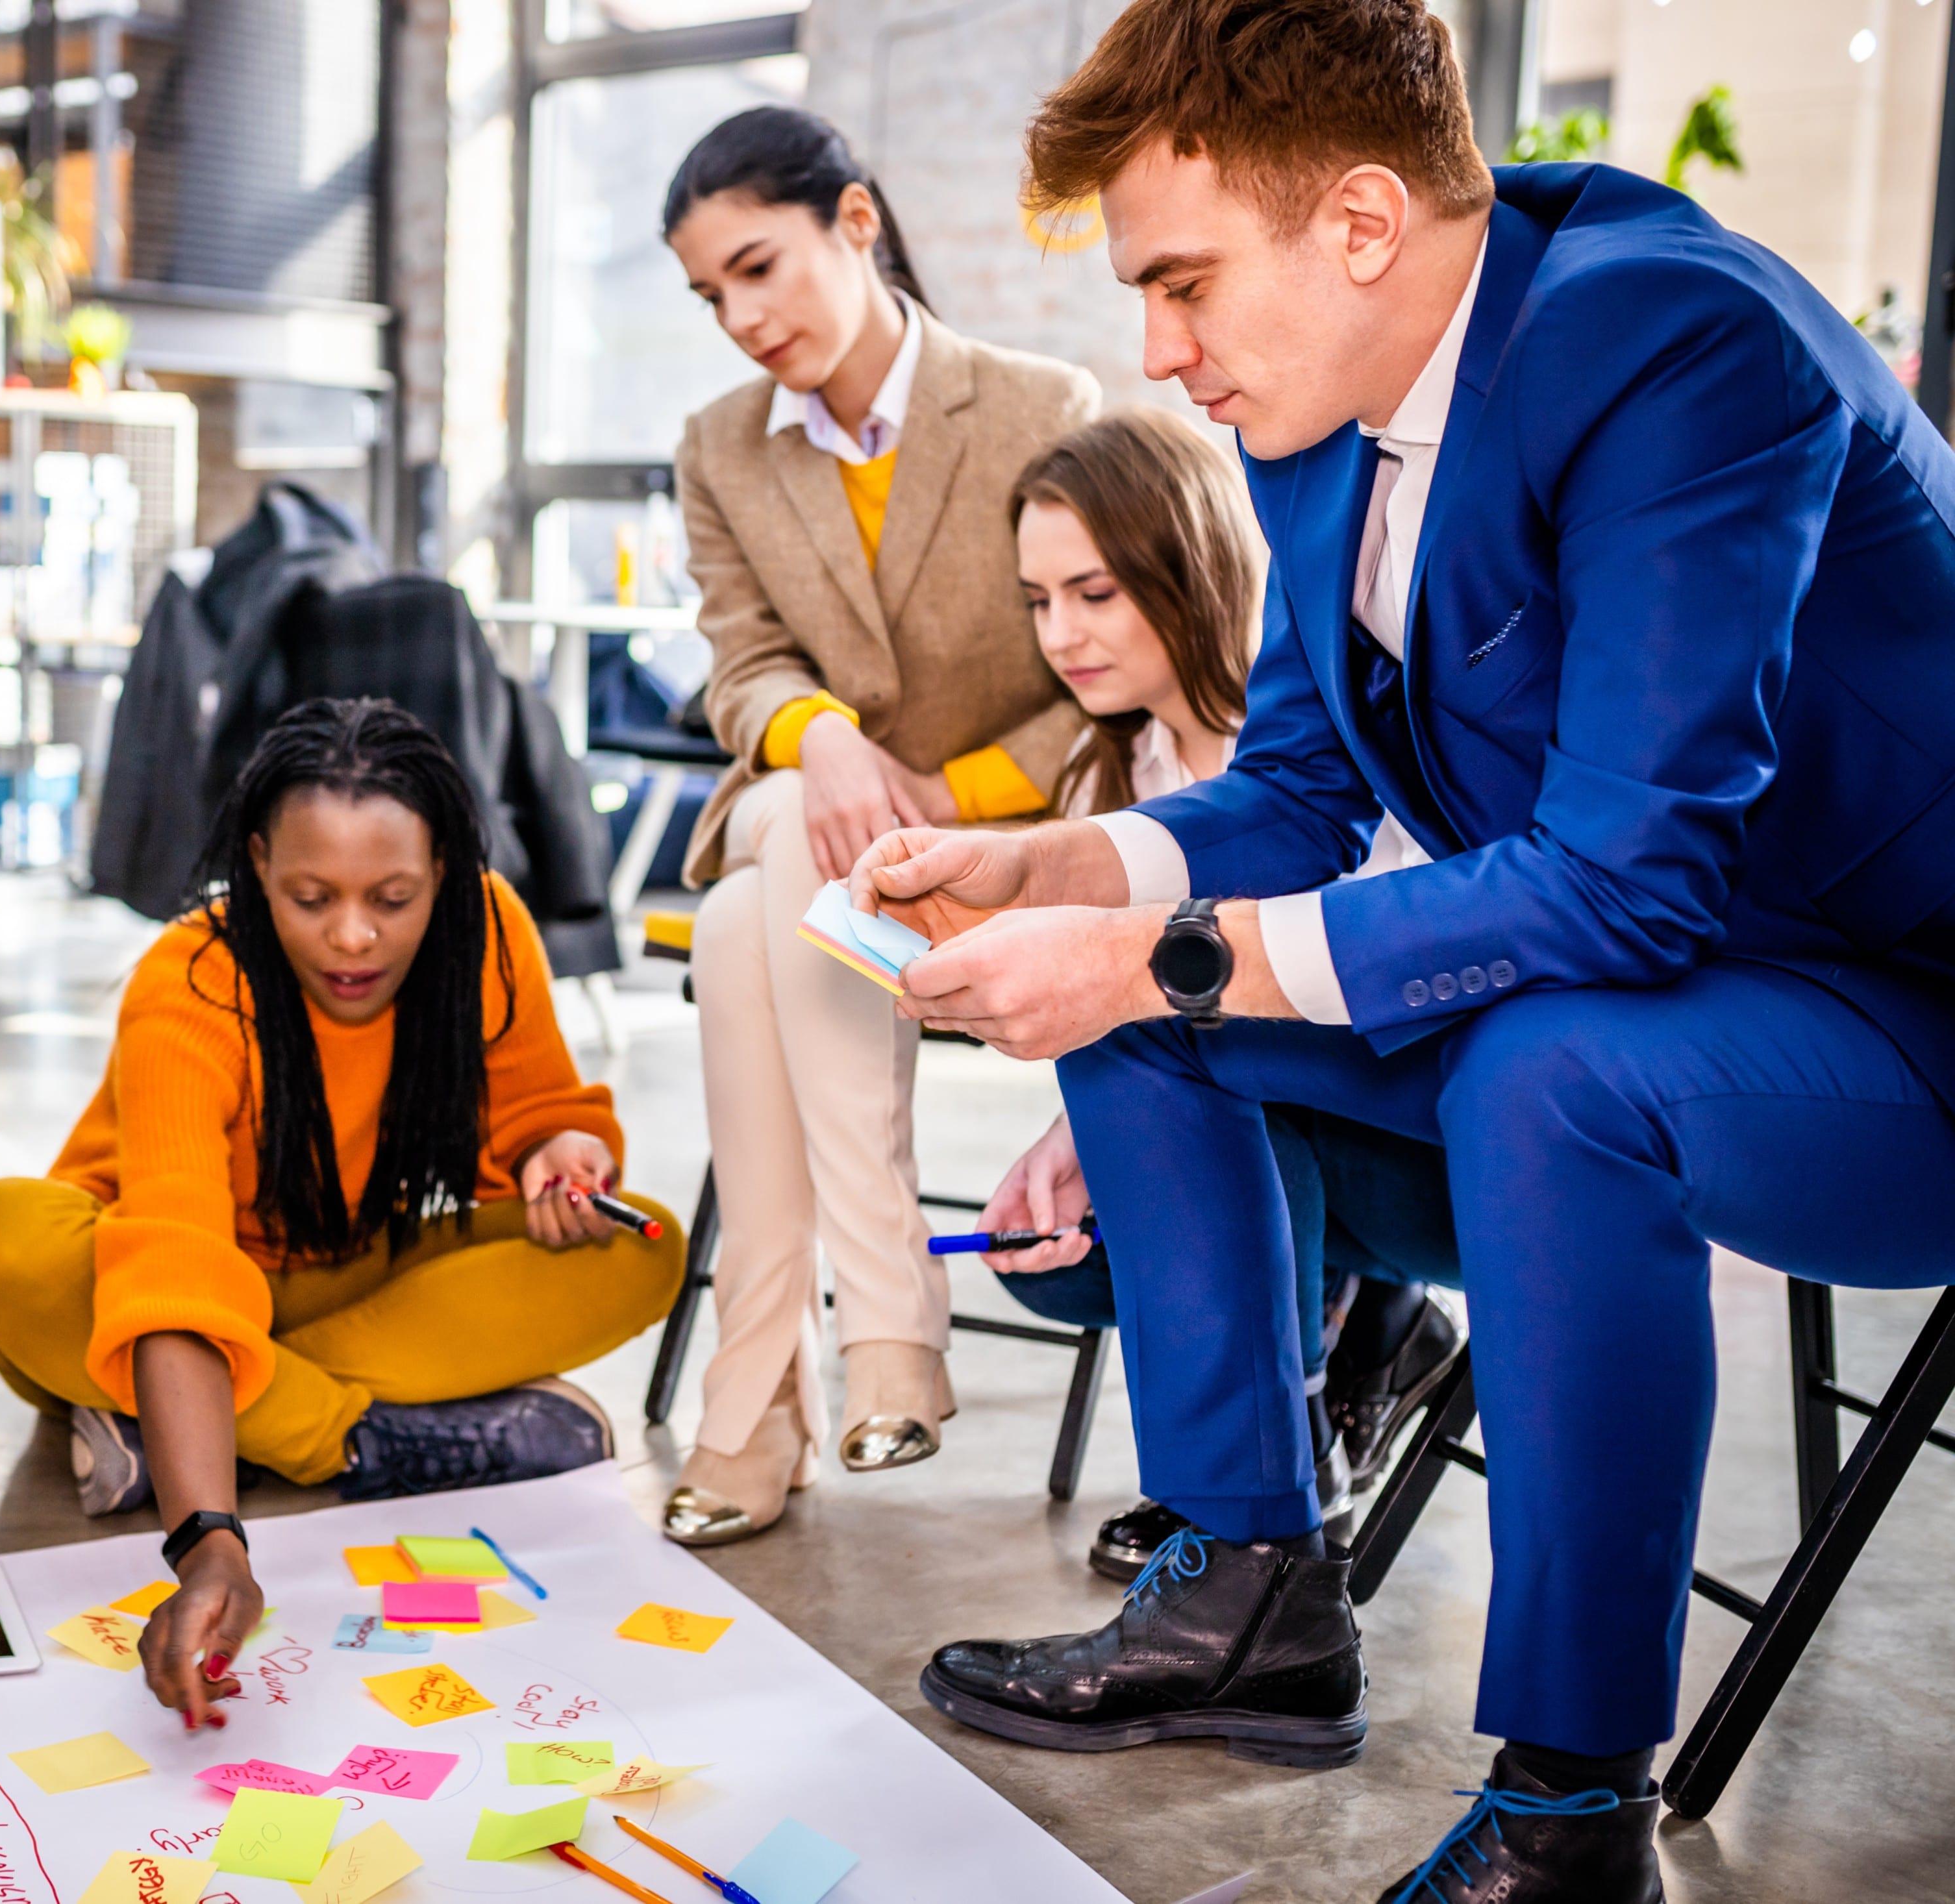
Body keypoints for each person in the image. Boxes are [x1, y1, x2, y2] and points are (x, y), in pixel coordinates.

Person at [851, 2, 1955, 1898]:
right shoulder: (1333, 401)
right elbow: (1289, 784)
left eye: (1183, 281)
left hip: (1906, 1024)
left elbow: (1622, 885)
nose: (1155, 350)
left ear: (1360, 220)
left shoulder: (1678, 342)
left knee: (1528, 1062)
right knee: (1143, 958)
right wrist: (1065, 864)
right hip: (1669, 992)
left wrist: (1154, 955)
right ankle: (1251, 1583)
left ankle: (1566, 1803)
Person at [0, 699, 682, 1716]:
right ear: (255, 865)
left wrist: (562, 1152)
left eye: (394, 896)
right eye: (308, 895)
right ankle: (353, 1439)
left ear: (447, 874)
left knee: (642, 1246)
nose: (352, 936)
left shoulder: (490, 926)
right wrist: (209, 1542)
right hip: (156, 1278)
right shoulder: (189, 977)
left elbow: (542, 1114)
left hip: (346, 1272)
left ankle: (167, 1421)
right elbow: (176, 1270)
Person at [655, 105, 1099, 1548]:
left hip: (1012, 842)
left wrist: (941, 800)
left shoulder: (1045, 410)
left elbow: (1109, 682)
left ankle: (753, 1411)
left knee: (747, 914)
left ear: (854, 221)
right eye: (710, 293)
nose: (738, 317)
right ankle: (887, 1328)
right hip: (810, 825)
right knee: (783, 837)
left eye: (758, 266)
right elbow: (740, 663)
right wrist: (825, 738)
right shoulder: (720, 447)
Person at [980, 409, 1465, 1581]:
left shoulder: (1320, 738)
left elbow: (1383, 993)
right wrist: (1075, 1135)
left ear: (1184, 565)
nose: (1063, 634)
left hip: (1438, 1150)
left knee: (1239, 1069)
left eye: (1094, 593)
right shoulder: (1127, 766)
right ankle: (1351, 1357)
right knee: (1055, 1257)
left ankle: (1263, 1499)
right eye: (1040, 600)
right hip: (1304, 1153)